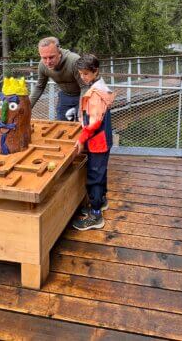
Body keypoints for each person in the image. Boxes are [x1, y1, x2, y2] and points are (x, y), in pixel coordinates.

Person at [72, 54, 115, 231]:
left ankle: (96, 215)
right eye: (81, 74)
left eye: (86, 74)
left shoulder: (96, 94)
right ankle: (101, 201)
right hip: (104, 139)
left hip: (98, 141)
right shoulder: (101, 86)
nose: (83, 77)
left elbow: (95, 122)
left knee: (94, 177)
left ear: (95, 71)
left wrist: (81, 138)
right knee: (100, 172)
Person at [29, 37, 88, 121]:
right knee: (61, 122)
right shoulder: (42, 65)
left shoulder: (74, 61)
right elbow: (39, 87)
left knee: (83, 122)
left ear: (59, 53)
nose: (48, 62)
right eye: (44, 58)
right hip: (65, 96)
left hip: (82, 94)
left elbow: (85, 86)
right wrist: (27, 107)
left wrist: (81, 110)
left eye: (51, 57)